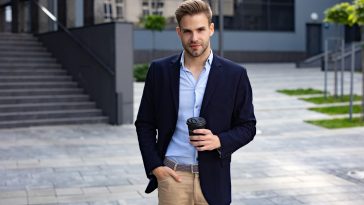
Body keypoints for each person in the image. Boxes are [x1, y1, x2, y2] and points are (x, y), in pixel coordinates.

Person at [135, 0, 256, 204]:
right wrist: (155, 167)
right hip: (173, 178)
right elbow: (144, 124)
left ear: (211, 29)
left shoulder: (235, 74)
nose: (194, 38)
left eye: (200, 29)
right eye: (187, 31)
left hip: (214, 182)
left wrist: (219, 141)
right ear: (178, 32)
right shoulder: (160, 71)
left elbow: (248, 126)